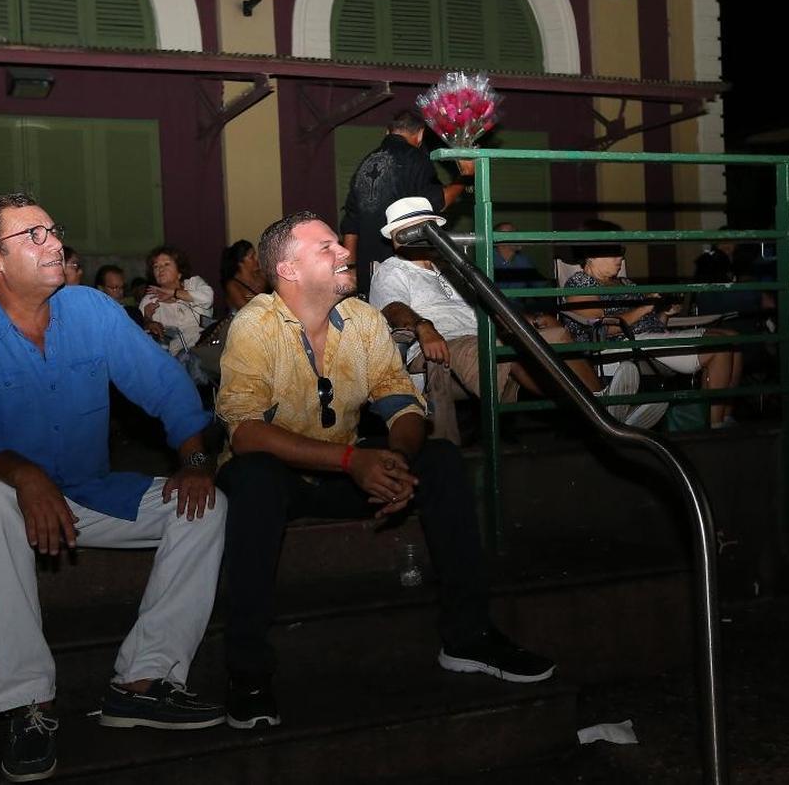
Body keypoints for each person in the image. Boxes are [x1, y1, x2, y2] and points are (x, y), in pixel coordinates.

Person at [215, 209, 555, 731]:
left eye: (338, 244)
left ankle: (467, 637)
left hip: (345, 465)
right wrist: (354, 461)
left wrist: (393, 461)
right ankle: (248, 671)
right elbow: (246, 433)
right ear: (288, 269)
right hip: (284, 474)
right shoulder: (255, 325)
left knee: (439, 458)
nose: (345, 252)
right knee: (254, 477)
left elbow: (403, 405)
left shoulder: (363, 321)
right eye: (327, 247)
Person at [0, 193, 227, 782]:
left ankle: (143, 681)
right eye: (32, 237)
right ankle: (28, 703)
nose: (55, 245)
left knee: (207, 506)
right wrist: (25, 475)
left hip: (88, 492)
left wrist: (195, 456)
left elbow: (166, 386)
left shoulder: (91, 310)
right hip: (0, 496)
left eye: (52, 231)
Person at [369, 199, 666, 443]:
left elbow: (488, 302)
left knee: (557, 332)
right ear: (398, 238)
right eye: (419, 229)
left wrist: (527, 318)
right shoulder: (392, 271)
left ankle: (601, 404)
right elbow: (392, 308)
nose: (428, 234)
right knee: (511, 348)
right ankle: (596, 415)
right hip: (447, 343)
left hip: (486, 331)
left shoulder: (450, 267)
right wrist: (423, 326)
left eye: (429, 228)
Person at [563, 227, 743, 429]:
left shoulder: (625, 283)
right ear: (590, 257)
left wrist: (664, 315)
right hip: (621, 344)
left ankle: (726, 417)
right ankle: (715, 424)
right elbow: (599, 331)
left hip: (646, 338)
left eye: (621, 252)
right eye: (613, 252)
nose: (620, 258)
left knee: (733, 338)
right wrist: (644, 307)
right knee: (719, 346)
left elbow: (649, 324)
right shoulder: (580, 283)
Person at [340, 108, 475, 292]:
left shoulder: (365, 163)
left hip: (367, 273)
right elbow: (438, 202)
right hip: (399, 276)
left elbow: (350, 225)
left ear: (387, 131)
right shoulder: (415, 158)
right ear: (420, 135)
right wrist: (467, 176)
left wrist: (351, 271)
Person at [139, 246, 213, 355]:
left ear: (179, 272)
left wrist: (173, 292)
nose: (160, 269)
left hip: (207, 347)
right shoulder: (149, 299)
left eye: (166, 264)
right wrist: (148, 320)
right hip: (176, 359)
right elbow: (139, 334)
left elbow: (208, 299)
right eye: (156, 266)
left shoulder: (194, 284)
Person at [220, 239, 268, 313]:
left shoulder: (261, 276)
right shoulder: (233, 285)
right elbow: (245, 311)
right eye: (251, 257)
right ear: (240, 262)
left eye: (255, 255)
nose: (256, 259)